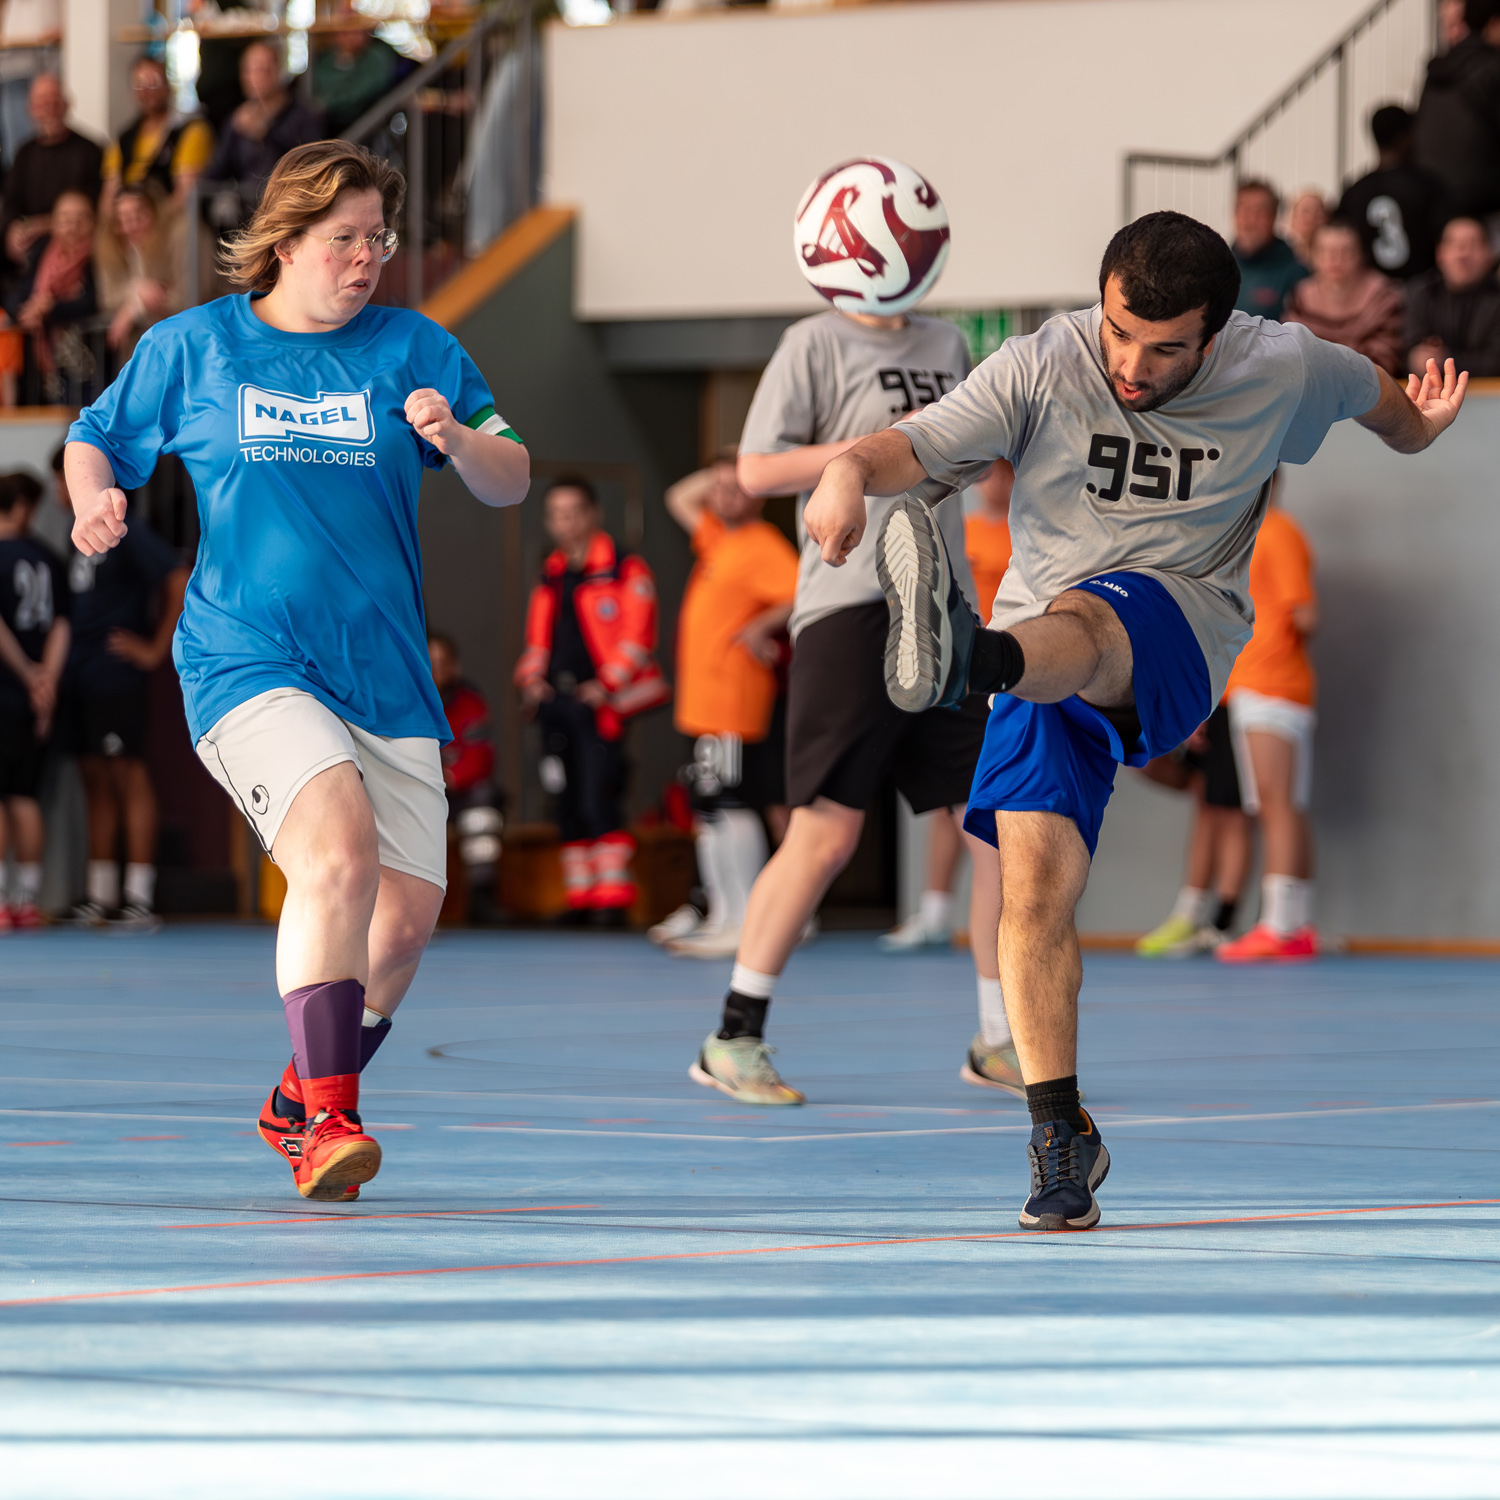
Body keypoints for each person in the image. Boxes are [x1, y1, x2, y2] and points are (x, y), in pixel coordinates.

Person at [806, 210, 1466, 1230]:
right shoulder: (1044, 362)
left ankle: (970, 660)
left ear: (1216, 332)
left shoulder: (1284, 365)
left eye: (1163, 349)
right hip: (1040, 651)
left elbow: (1384, 405)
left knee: (1090, 613)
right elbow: (916, 444)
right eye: (1119, 332)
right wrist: (848, 472)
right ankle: (1059, 1135)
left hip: (1176, 629)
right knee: (1032, 890)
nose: (1130, 364)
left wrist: (1425, 421)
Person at [65, 141, 529, 1201]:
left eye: (380, 238)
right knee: (335, 851)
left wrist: (459, 440)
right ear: (284, 240)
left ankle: (295, 1092)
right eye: (344, 239)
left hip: (386, 670)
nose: (368, 257)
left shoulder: (417, 348)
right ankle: (326, 1123)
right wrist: (94, 497)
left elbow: (511, 476)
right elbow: (94, 438)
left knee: (403, 922)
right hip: (248, 657)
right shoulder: (195, 347)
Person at [686, 158, 1011, 1110]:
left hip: (946, 610)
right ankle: (733, 1036)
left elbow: (969, 451)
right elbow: (755, 469)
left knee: (997, 828)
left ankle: (1001, 1036)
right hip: (849, 604)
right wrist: (870, 449)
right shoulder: (812, 343)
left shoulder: (948, 341)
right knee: (827, 832)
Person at [655, 451, 798, 958]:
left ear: (757, 494)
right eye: (718, 487)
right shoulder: (716, 536)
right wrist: (726, 470)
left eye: (736, 488)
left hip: (734, 700)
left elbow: (802, 592)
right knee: (709, 812)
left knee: (734, 807)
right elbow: (678, 496)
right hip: (702, 704)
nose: (723, 496)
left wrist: (760, 626)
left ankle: (745, 921)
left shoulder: (764, 545)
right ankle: (721, 913)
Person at [514, 478, 668, 923]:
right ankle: (580, 897)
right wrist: (532, 680)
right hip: (556, 703)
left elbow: (639, 635)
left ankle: (612, 898)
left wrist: (606, 684)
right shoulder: (551, 571)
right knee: (563, 798)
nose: (565, 522)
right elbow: (537, 639)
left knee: (599, 794)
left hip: (602, 704)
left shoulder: (624, 567)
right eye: (556, 514)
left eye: (574, 512)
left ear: (593, 513)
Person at [51, 442, 188, 930]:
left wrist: (154, 648)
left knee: (128, 774)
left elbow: (177, 577)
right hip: (80, 673)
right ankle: (101, 893)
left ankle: (139, 897)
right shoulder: (76, 535)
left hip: (115, 674)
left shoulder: (125, 531)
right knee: (95, 778)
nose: (61, 490)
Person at [881, 458, 1012, 953]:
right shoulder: (962, 531)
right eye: (985, 474)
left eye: (1000, 473)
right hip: (960, 669)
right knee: (949, 798)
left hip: (1008, 672)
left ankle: (1006, 922)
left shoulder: (1026, 534)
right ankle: (935, 914)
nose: (990, 483)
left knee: (982, 801)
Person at [1216, 476, 1321, 962]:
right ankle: (1296, 926)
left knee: (1275, 804)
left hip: (1268, 685)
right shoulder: (1262, 531)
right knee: (1286, 805)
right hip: (1268, 686)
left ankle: (1279, 928)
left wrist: (1270, 646)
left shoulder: (1274, 531)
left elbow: (1306, 615)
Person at [0, 470, 68, 930]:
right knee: (26, 795)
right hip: (36, 697)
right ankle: (26, 899)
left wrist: (26, 674)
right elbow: (62, 624)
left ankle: (2, 902)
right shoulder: (49, 558)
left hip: (6, 687)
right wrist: (46, 682)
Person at [1135, 704, 1249, 956]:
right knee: (1206, 802)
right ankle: (1189, 915)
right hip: (1204, 706)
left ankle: (1222, 924)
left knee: (1230, 812)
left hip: (1230, 705)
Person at [203, 41, 321, 235]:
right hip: (245, 216)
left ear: (278, 72)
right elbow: (216, 171)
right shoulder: (237, 119)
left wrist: (265, 135)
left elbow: (310, 165)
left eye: (262, 70)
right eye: (248, 71)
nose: (254, 78)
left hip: (289, 212)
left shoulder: (304, 116)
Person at [427, 630, 504, 924]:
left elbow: (480, 757)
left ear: (454, 667)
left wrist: (448, 776)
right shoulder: (403, 701)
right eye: (429, 661)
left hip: (458, 791)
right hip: (419, 791)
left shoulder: (470, 702)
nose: (435, 669)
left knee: (483, 803)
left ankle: (482, 896)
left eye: (441, 662)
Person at [1, 73, 102, 278]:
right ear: (31, 109)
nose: (49, 108)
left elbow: (93, 208)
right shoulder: (25, 153)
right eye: (42, 103)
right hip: (29, 237)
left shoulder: (90, 151)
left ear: (66, 105)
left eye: (54, 101)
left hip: (71, 239)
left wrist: (46, 225)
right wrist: (12, 231)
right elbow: (12, 201)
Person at [1337, 105, 1449, 282]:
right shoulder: (1428, 185)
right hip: (1424, 288)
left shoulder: (1354, 193)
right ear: (1403, 139)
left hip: (1371, 294)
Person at [5, 188, 97, 399]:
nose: (72, 226)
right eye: (65, 219)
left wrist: (51, 307)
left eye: (80, 219)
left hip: (86, 358)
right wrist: (29, 309)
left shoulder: (98, 256)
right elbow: (16, 296)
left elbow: (93, 301)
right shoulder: (42, 254)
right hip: (46, 360)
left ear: (92, 222)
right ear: (54, 223)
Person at [1413, 0, 1500, 223]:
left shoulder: (1436, 72)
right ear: (1493, 23)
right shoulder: (1492, 66)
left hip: (1434, 199)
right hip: (1485, 201)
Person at [1283, 218, 1404, 375]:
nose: (1335, 259)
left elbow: (1385, 360)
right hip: (1311, 385)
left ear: (1360, 254)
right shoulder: (1301, 297)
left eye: (1345, 251)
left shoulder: (1382, 296)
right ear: (1312, 255)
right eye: (1326, 251)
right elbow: (1290, 354)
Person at [101, 55, 215, 217]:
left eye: (153, 82)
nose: (146, 91)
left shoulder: (191, 130)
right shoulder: (124, 138)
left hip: (171, 219)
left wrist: (153, 224)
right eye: (140, 85)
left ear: (168, 85)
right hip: (128, 219)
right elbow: (109, 195)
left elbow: (185, 194)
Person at [1404, 216, 1500, 377]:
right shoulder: (1421, 293)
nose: (1463, 254)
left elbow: (1495, 361)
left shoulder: (1496, 296)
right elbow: (1406, 349)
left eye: (1473, 245)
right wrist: (1416, 358)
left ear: (1489, 253)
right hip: (1431, 389)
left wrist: (1444, 361)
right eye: (1455, 245)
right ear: (1439, 254)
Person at [95, 183, 183, 354]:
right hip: (140, 345)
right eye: (124, 218)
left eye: (139, 214)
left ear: (154, 212)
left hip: (174, 339)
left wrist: (134, 307)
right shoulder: (112, 250)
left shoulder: (172, 240)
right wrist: (138, 293)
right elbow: (108, 297)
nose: (132, 225)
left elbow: (180, 297)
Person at [312, 17, 401, 138]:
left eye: (357, 32)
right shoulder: (325, 61)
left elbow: (363, 91)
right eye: (344, 32)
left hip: (363, 120)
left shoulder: (377, 58)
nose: (351, 37)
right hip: (329, 123)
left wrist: (327, 104)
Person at [1231, 180, 1306, 323]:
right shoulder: (1217, 267)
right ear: (1234, 215)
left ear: (1274, 217)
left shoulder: (1296, 272)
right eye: (1245, 210)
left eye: (1260, 211)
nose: (1251, 220)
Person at [1284, 191, 1329, 268]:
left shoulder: (1334, 255)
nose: (1312, 217)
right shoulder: (1284, 252)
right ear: (1293, 218)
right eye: (1306, 211)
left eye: (1318, 212)